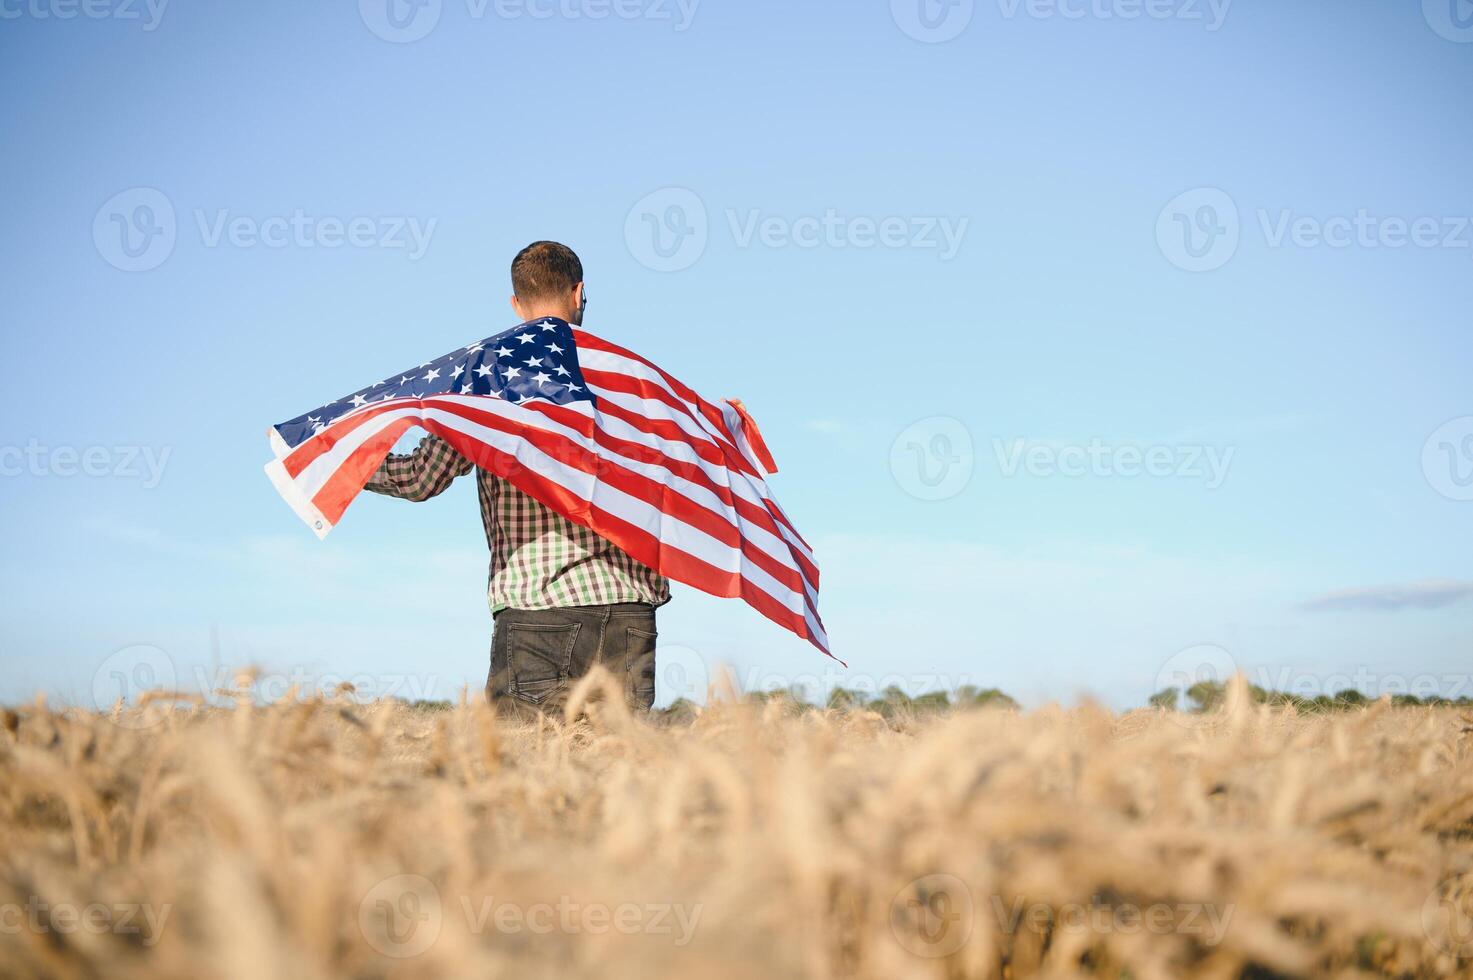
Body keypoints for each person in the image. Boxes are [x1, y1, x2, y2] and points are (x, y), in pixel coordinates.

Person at [365, 241, 670, 717]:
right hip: (628, 613)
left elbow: (418, 480)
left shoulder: (483, 383)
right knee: (620, 777)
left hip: (536, 611)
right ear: (579, 293)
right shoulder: (633, 382)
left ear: (515, 303)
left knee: (528, 779)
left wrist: (338, 458)